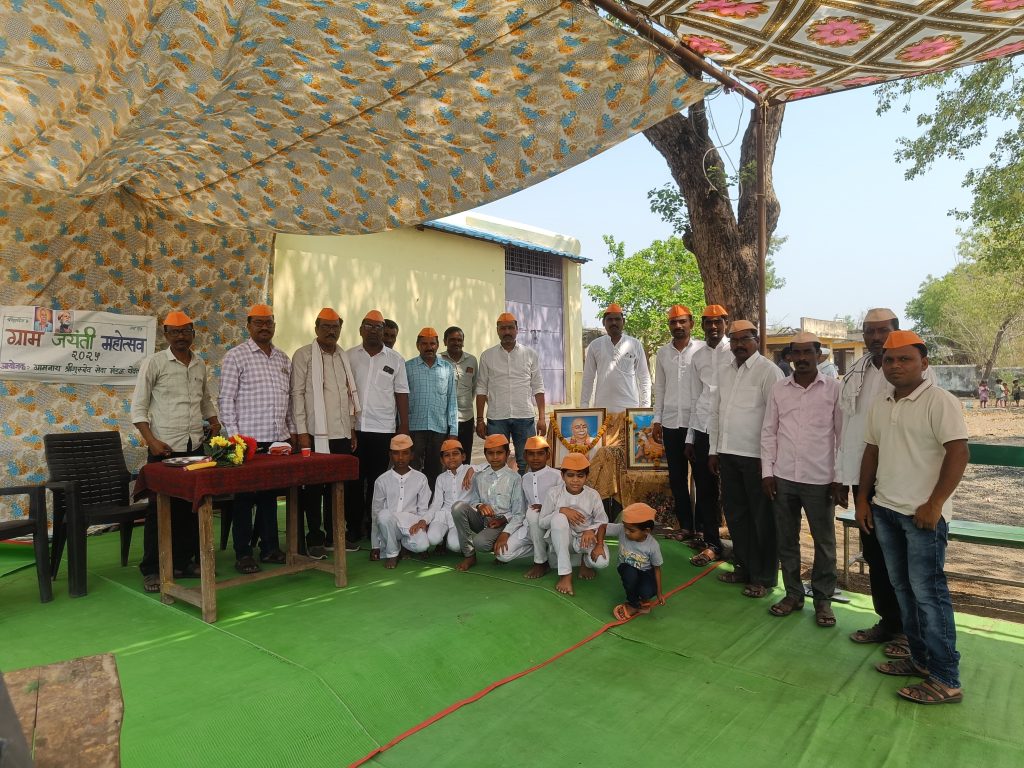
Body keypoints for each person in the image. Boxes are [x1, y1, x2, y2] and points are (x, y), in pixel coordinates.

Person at [856, 330, 969, 705]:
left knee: (929, 596)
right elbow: (871, 452)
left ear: (924, 363)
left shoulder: (940, 401)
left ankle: (946, 678)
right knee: (903, 590)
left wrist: (935, 503)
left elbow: (958, 453)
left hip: (923, 517)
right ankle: (920, 660)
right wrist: (863, 499)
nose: (895, 365)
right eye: (890, 360)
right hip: (886, 510)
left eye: (905, 359)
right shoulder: (882, 403)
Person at [836, 308, 908, 657]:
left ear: (896, 330)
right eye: (869, 331)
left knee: (903, 558)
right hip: (862, 480)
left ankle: (909, 631)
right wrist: (842, 477)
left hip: (900, 479)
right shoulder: (856, 372)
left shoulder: (911, 371)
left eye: (882, 330)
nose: (876, 337)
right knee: (875, 554)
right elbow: (847, 428)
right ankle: (888, 622)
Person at [131, 310, 218, 592]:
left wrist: (214, 421)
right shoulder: (154, 363)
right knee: (159, 511)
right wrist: (151, 442)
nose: (181, 336)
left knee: (190, 507)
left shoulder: (199, 364)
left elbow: (204, 400)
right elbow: (138, 408)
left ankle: (183, 562)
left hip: (195, 446)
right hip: (164, 449)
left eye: (185, 331)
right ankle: (152, 569)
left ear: (193, 333)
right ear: (166, 335)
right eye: (175, 332)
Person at [761, 331, 843, 627]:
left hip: (820, 478)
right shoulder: (779, 389)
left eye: (809, 352)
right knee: (787, 539)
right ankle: (793, 594)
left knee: (824, 543)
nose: (803, 358)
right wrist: (767, 472)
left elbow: (842, 435)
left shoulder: (833, 389)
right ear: (790, 357)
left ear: (819, 355)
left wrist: (839, 477)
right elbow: (769, 432)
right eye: (797, 352)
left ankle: (823, 600)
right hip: (783, 476)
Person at [219, 303, 296, 574]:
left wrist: (291, 433)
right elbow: (226, 399)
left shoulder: (282, 358)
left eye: (269, 323)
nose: (265, 327)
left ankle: (270, 548)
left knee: (269, 497)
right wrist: (234, 439)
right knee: (243, 500)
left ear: (274, 325)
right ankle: (243, 553)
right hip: (247, 443)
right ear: (248, 326)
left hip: (277, 441)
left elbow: (288, 401)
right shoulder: (235, 356)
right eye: (259, 323)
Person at [709, 320, 784, 598]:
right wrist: (714, 450)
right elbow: (716, 412)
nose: (739, 345)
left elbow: (776, 420)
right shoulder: (725, 370)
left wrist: (769, 463)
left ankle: (764, 577)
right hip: (728, 454)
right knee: (736, 515)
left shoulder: (769, 371)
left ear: (756, 339)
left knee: (762, 518)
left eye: (745, 339)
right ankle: (742, 567)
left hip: (757, 458)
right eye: (734, 340)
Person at [290, 307, 361, 557]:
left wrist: (352, 429)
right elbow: (297, 394)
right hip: (314, 433)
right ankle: (315, 538)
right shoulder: (303, 355)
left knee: (338, 487)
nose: (331, 331)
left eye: (335, 327)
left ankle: (334, 536)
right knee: (314, 489)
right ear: (316, 328)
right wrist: (302, 432)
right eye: (326, 327)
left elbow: (347, 397)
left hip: (341, 433)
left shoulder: (343, 357)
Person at [348, 309, 410, 556]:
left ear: (384, 331)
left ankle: (373, 526)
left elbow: (401, 394)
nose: (374, 331)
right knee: (354, 482)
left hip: (383, 430)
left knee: (377, 482)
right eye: (369, 326)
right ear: (361, 329)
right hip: (354, 429)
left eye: (379, 327)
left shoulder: (396, 359)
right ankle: (353, 527)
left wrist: (403, 428)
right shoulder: (349, 357)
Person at [652, 305, 705, 540]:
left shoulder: (702, 350)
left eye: (682, 321)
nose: (678, 326)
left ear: (691, 323)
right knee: (677, 478)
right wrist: (657, 419)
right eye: (674, 322)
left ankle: (702, 528)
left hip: (698, 421)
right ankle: (685, 526)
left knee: (702, 477)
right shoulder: (663, 353)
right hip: (672, 423)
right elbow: (660, 388)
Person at [685, 304, 730, 567]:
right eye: (708, 322)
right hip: (702, 429)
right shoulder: (698, 357)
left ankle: (742, 548)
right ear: (701, 325)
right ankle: (711, 543)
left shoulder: (734, 351)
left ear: (725, 323)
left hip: (729, 430)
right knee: (704, 489)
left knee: (732, 493)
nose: (713, 327)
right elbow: (695, 397)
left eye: (718, 322)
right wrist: (690, 437)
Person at [476, 312, 546, 473]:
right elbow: (481, 389)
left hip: (524, 416)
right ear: (497, 331)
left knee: (526, 461)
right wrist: (480, 420)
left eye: (510, 328)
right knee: (497, 462)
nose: (507, 332)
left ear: (517, 330)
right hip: (497, 417)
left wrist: (542, 418)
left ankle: (525, 489)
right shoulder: (487, 356)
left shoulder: (530, 354)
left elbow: (538, 387)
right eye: (503, 328)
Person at [451, 434, 529, 571]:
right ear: (485, 455)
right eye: (491, 453)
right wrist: (480, 506)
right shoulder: (479, 476)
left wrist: (504, 528)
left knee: (480, 543)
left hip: (502, 523)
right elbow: (474, 501)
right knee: (457, 507)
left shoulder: (515, 478)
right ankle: (469, 555)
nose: (495, 457)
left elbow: (519, 513)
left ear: (507, 454)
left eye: (499, 453)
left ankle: (498, 542)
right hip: (483, 520)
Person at [546, 453, 610, 596]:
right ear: (562, 476)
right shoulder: (553, 493)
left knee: (602, 562)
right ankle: (565, 575)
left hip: (586, 539)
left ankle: (585, 563)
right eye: (570, 475)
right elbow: (542, 522)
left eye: (580, 476)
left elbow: (602, 521)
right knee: (559, 518)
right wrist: (562, 510)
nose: (575, 480)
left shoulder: (593, 494)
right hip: (563, 539)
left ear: (587, 477)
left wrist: (594, 535)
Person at [405, 327, 457, 488]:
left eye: (432, 344)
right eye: (424, 344)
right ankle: (413, 501)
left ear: (438, 345)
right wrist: (402, 426)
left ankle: (434, 501)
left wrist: (453, 431)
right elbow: (402, 399)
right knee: (412, 470)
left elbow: (452, 400)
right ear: (418, 345)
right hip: (414, 428)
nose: (429, 347)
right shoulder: (408, 367)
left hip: (439, 428)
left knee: (436, 471)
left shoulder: (447, 368)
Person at [579, 302, 651, 412]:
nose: (614, 322)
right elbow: (588, 378)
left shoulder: (635, 344)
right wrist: (584, 406)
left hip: (630, 408)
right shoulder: (595, 345)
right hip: (602, 409)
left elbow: (644, 377)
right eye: (610, 319)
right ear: (604, 322)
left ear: (623, 322)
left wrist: (645, 407)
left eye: (617, 319)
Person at [374, 434, 432, 569]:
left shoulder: (421, 478)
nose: (400, 458)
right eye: (396, 453)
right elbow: (375, 513)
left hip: (410, 525)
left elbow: (423, 509)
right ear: (390, 455)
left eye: (405, 453)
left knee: (423, 545)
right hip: (390, 526)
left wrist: (421, 526)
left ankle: (404, 546)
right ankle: (392, 553)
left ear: (412, 455)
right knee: (383, 515)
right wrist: (375, 545)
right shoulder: (382, 480)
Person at [603, 503, 665, 621]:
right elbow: (603, 527)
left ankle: (644, 600)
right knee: (630, 574)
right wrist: (591, 533)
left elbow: (657, 569)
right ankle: (633, 603)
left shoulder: (653, 546)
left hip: (645, 572)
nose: (626, 532)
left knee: (647, 590)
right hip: (626, 568)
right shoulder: (622, 530)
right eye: (625, 527)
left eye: (631, 530)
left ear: (646, 531)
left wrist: (659, 593)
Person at [520, 435, 563, 579]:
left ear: (548, 455)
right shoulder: (524, 478)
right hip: (532, 525)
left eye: (540, 453)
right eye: (531, 454)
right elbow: (523, 505)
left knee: (533, 512)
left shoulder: (557, 476)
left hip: (554, 521)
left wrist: (546, 507)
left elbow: (566, 502)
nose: (535, 458)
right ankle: (542, 549)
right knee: (504, 554)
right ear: (525, 457)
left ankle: (540, 562)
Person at [427, 439, 477, 554]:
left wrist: (472, 469)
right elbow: (436, 503)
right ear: (442, 460)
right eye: (447, 455)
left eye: (455, 454)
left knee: (455, 546)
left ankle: (452, 539)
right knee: (432, 539)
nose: (451, 458)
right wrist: (425, 520)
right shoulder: (441, 478)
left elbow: (489, 465)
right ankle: (442, 540)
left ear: (463, 456)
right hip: (444, 515)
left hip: (461, 517)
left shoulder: (470, 471)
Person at [441, 326, 478, 462]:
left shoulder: (472, 360)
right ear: (445, 341)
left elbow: (474, 387)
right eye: (452, 340)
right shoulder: (439, 359)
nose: (456, 343)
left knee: (464, 456)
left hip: (466, 418)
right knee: (445, 456)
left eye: (459, 340)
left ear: (463, 341)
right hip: (444, 418)